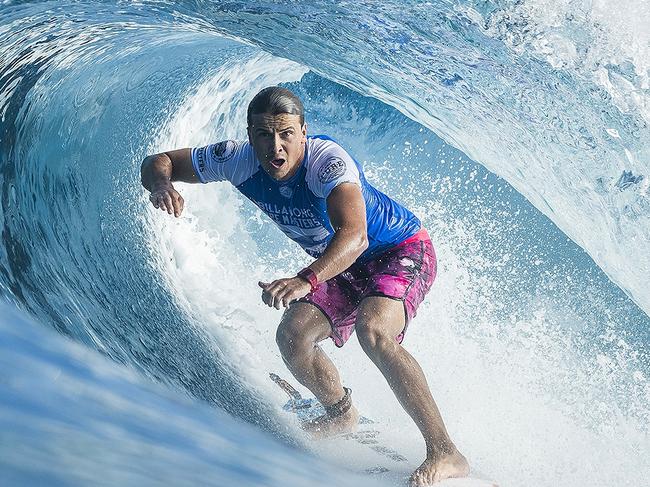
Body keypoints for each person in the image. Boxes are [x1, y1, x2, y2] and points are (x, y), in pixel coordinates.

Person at [140, 86, 469, 485]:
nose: (274, 146)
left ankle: (445, 451)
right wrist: (161, 185)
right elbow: (158, 162)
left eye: (286, 134)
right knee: (293, 336)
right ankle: (341, 412)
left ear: (303, 133)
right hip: (341, 265)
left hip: (399, 250)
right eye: (263, 135)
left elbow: (355, 237)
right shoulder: (238, 160)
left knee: (374, 329)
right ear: (250, 136)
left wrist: (304, 279)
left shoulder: (327, 164)